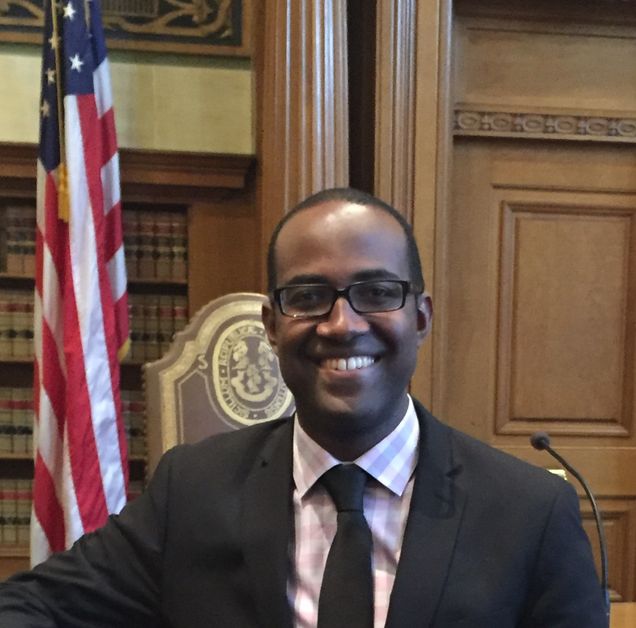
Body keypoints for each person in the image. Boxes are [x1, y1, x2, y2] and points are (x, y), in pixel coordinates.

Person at [0, 188, 607, 627]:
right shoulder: (192, 490)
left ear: (420, 318)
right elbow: (31, 608)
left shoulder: (530, 511)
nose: (342, 325)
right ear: (271, 325)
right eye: (309, 296)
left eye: (377, 292)